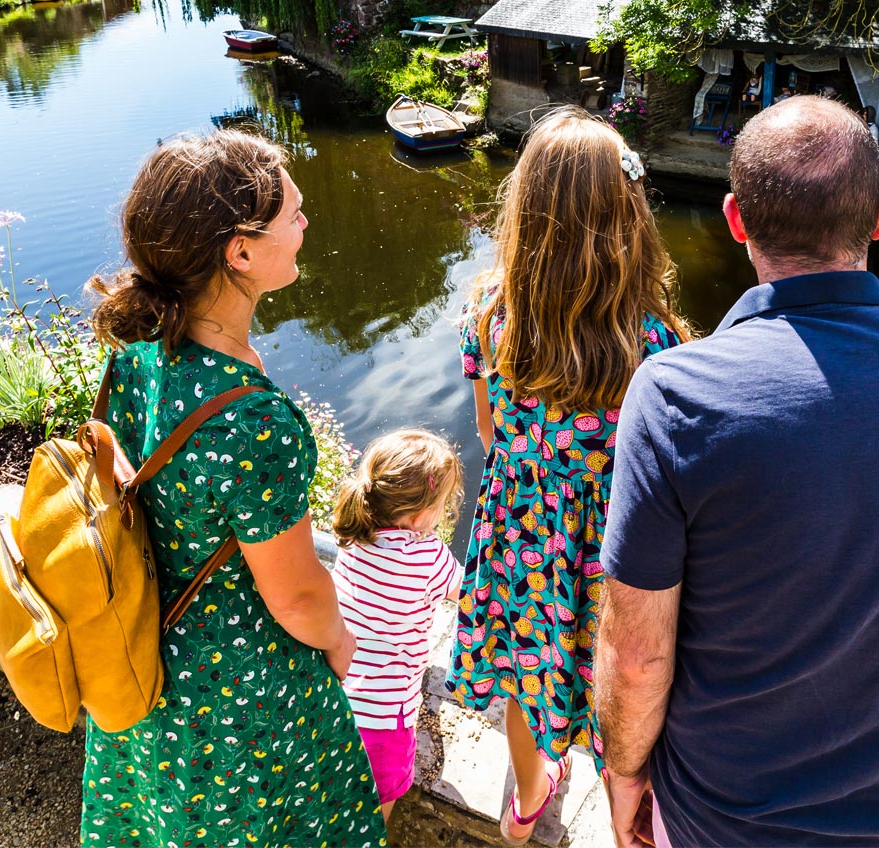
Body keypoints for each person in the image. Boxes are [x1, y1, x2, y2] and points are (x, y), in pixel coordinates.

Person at [597, 95, 879, 848]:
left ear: (735, 220)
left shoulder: (674, 396)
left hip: (728, 822)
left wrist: (625, 776)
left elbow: (636, 656)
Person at [80, 129, 384, 848]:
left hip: (146, 670)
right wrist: (340, 644)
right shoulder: (254, 422)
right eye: (294, 215)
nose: (307, 224)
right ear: (239, 252)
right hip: (239, 702)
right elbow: (298, 597)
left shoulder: (141, 356)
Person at [450, 106, 691, 846]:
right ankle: (620, 797)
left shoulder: (491, 314)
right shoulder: (653, 338)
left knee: (528, 672)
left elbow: (491, 435)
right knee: (618, 673)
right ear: (626, 212)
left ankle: (527, 799)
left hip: (521, 528)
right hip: (611, 542)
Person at [330, 429, 466, 819]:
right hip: (386, 716)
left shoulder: (352, 534)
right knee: (376, 810)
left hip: (338, 699)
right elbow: (469, 596)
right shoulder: (427, 556)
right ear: (421, 515)